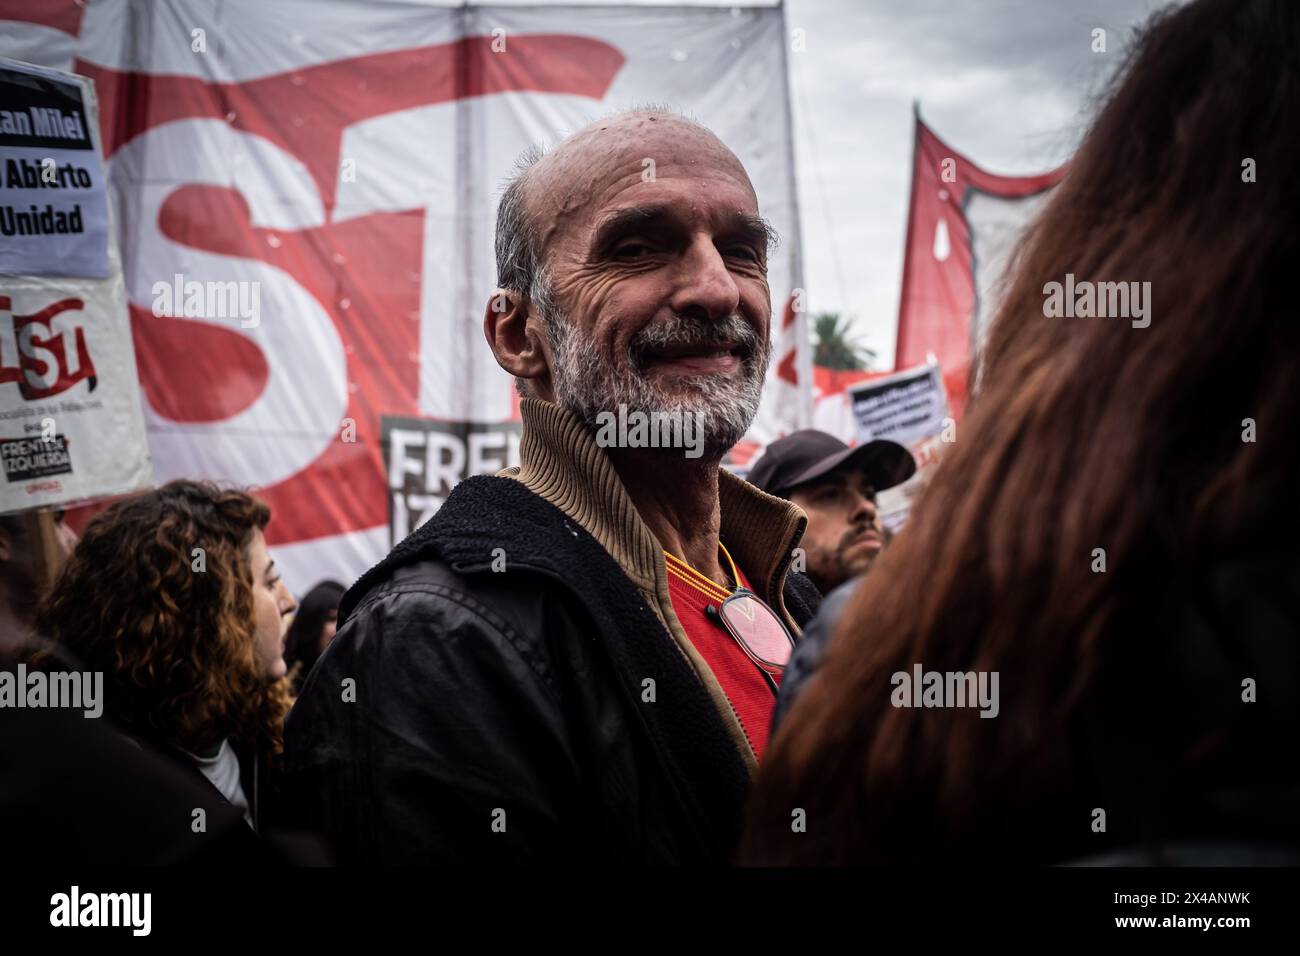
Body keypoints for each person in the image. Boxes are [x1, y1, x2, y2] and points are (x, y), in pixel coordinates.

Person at [741, 0, 1300, 866]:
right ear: (768, 514)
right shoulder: (850, 651)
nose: (865, 512)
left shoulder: (893, 638)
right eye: (830, 493)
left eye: (869, 492)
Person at [286, 107, 821, 864]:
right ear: (516, 335)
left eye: (740, 251)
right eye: (637, 249)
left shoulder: (791, 587)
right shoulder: (436, 637)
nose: (715, 290)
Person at [38, 480, 299, 836]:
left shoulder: (270, 736)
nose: (288, 601)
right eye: (269, 583)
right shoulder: (114, 788)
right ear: (213, 614)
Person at [747, 429, 914, 594]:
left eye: (869, 495)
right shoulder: (741, 618)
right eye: (830, 495)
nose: (867, 508)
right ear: (772, 525)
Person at [283, 580, 345, 695]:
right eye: (331, 618)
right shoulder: (278, 669)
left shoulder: (347, 683)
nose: (339, 627)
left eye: (344, 620)